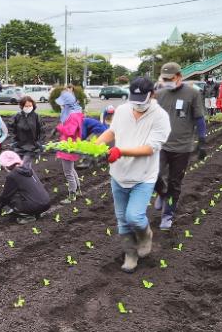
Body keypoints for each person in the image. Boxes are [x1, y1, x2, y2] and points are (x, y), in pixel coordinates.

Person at [95, 77, 171, 273]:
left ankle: (145, 235)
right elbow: (111, 132)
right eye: (134, 99)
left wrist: (120, 151)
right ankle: (130, 253)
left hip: (143, 176)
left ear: (152, 94)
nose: (137, 105)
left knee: (134, 217)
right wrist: (94, 146)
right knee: (122, 218)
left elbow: (149, 149)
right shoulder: (121, 111)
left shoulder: (160, 117)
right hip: (118, 174)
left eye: (142, 100)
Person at [153, 62, 208, 230]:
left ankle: (167, 215)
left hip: (182, 147)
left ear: (179, 76)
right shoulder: (159, 94)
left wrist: (202, 141)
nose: (168, 81)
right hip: (161, 144)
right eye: (165, 78)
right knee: (154, 175)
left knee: (175, 183)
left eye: (171, 78)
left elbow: (199, 118)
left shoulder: (192, 93)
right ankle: (162, 194)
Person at [0, 151, 51, 224]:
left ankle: (28, 216)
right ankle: (37, 212)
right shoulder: (28, 169)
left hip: (35, 206)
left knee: (11, 197)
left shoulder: (12, 175)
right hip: (46, 203)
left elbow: (6, 196)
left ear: (6, 166)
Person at [54, 87, 84, 204]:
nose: (62, 106)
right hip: (72, 145)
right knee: (71, 169)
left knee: (68, 172)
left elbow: (70, 131)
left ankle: (72, 194)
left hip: (68, 146)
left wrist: (59, 127)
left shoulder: (72, 115)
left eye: (63, 104)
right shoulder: (77, 112)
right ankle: (78, 190)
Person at [9, 95, 44, 169]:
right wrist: (13, 141)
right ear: (22, 106)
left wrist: (39, 143)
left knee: (25, 166)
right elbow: (11, 129)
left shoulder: (36, 117)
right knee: (23, 168)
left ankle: (29, 179)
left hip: (32, 147)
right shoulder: (17, 117)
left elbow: (42, 131)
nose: (28, 107)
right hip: (19, 146)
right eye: (26, 106)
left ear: (33, 105)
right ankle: (31, 180)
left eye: (30, 105)